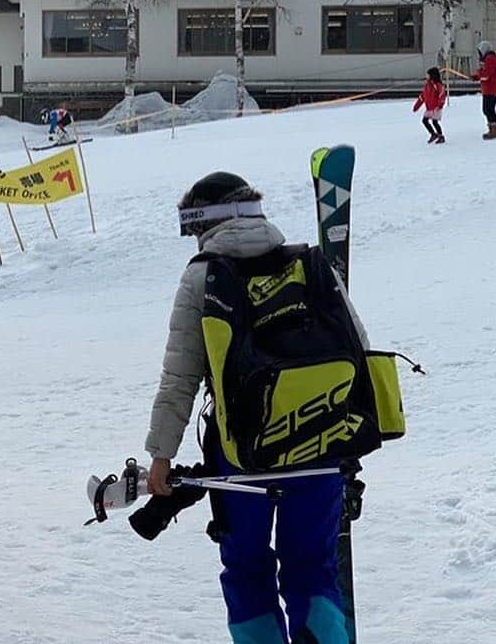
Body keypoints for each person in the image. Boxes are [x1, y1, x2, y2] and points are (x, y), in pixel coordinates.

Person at [145, 173, 372, 644]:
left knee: (247, 570)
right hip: (320, 446)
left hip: (240, 461)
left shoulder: (202, 277)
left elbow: (180, 378)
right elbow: (359, 349)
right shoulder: (311, 265)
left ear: (206, 221)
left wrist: (160, 456)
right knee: (313, 570)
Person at [471, 41, 496, 139]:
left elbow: (486, 74)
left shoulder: (490, 59)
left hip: (491, 89)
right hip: (488, 88)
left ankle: (494, 130)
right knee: (487, 109)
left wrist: (479, 74)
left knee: (489, 109)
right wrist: (477, 77)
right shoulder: (487, 59)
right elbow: (484, 74)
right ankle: (492, 128)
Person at [412, 66, 447, 144]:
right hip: (429, 108)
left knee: (435, 122)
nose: (426, 76)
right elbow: (423, 96)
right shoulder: (427, 85)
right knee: (424, 121)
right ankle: (433, 134)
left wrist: (440, 105)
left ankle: (441, 136)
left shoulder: (437, 85)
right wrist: (416, 106)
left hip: (436, 108)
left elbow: (442, 95)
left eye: (428, 74)